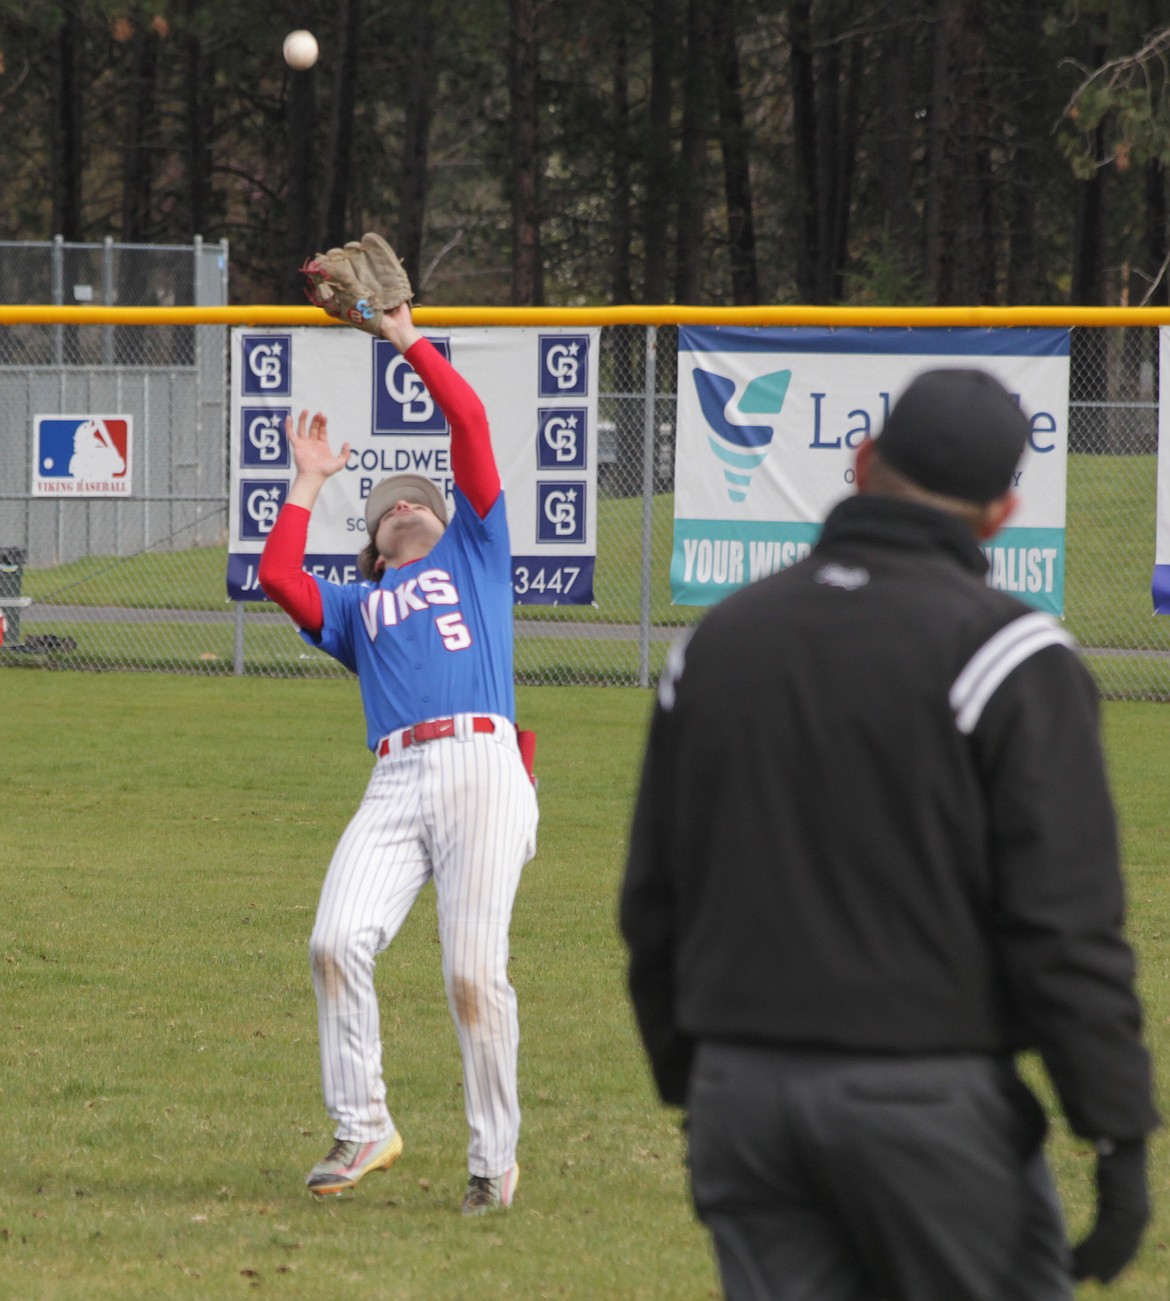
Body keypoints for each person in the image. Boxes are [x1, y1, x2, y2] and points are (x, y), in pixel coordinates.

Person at [619, 368, 1158, 1299]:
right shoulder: (1009, 653)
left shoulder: (719, 642)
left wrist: (697, 1075)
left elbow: (654, 897)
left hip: (742, 1095)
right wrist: (1115, 1129)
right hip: (922, 1096)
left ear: (862, 463)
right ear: (1000, 513)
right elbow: (1064, 923)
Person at [259, 300, 538, 1216]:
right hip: (394, 777)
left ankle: (493, 1160)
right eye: (384, 510)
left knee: (470, 973)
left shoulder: (478, 551)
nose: (403, 507)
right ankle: (364, 1124)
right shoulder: (355, 610)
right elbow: (280, 580)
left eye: (417, 498)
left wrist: (404, 336)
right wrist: (307, 484)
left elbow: (468, 421)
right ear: (372, 547)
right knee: (334, 940)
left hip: (483, 768)